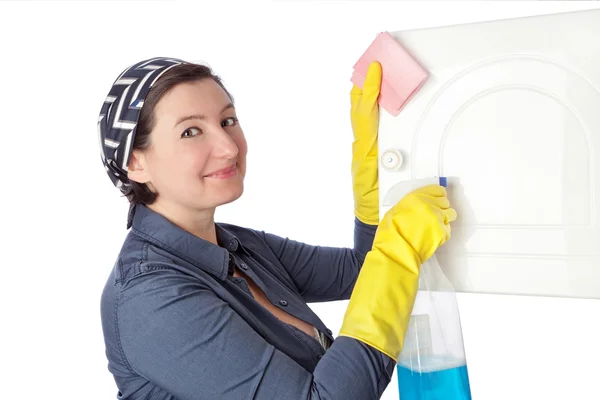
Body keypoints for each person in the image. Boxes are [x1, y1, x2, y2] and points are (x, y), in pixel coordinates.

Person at [98, 57, 457, 399]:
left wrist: (373, 170)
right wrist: (397, 253)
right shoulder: (149, 298)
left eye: (227, 121)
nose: (227, 147)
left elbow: (364, 270)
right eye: (191, 131)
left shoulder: (238, 246)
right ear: (135, 163)